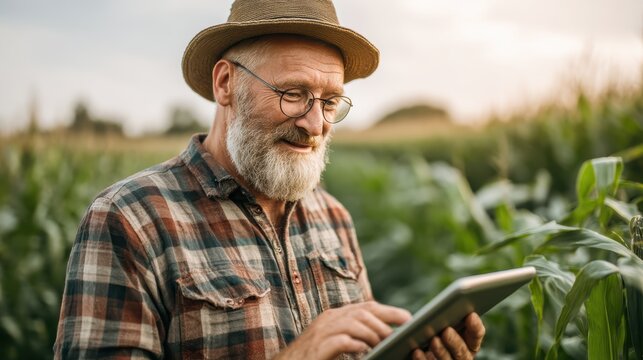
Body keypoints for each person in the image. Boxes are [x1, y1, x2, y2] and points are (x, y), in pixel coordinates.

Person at [54, 0, 485, 359]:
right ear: (226, 83)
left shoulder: (332, 217)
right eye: (293, 94)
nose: (315, 124)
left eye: (330, 101)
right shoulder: (130, 219)